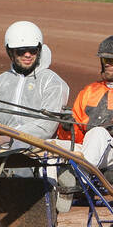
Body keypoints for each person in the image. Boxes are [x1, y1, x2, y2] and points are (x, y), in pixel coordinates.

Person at [0, 21, 69, 167]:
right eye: (21, 50)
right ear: (10, 52)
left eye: (33, 50)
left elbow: (46, 127)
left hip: (36, 150)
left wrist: (9, 137)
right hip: (0, 144)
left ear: (39, 50)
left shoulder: (52, 81)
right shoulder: (1, 81)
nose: (28, 55)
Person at [55, 35, 113, 212]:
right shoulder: (89, 91)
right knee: (50, 146)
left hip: (110, 153)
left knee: (98, 133)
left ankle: (78, 180)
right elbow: (78, 138)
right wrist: (66, 128)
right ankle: (46, 200)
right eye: (105, 59)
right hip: (92, 152)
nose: (108, 63)